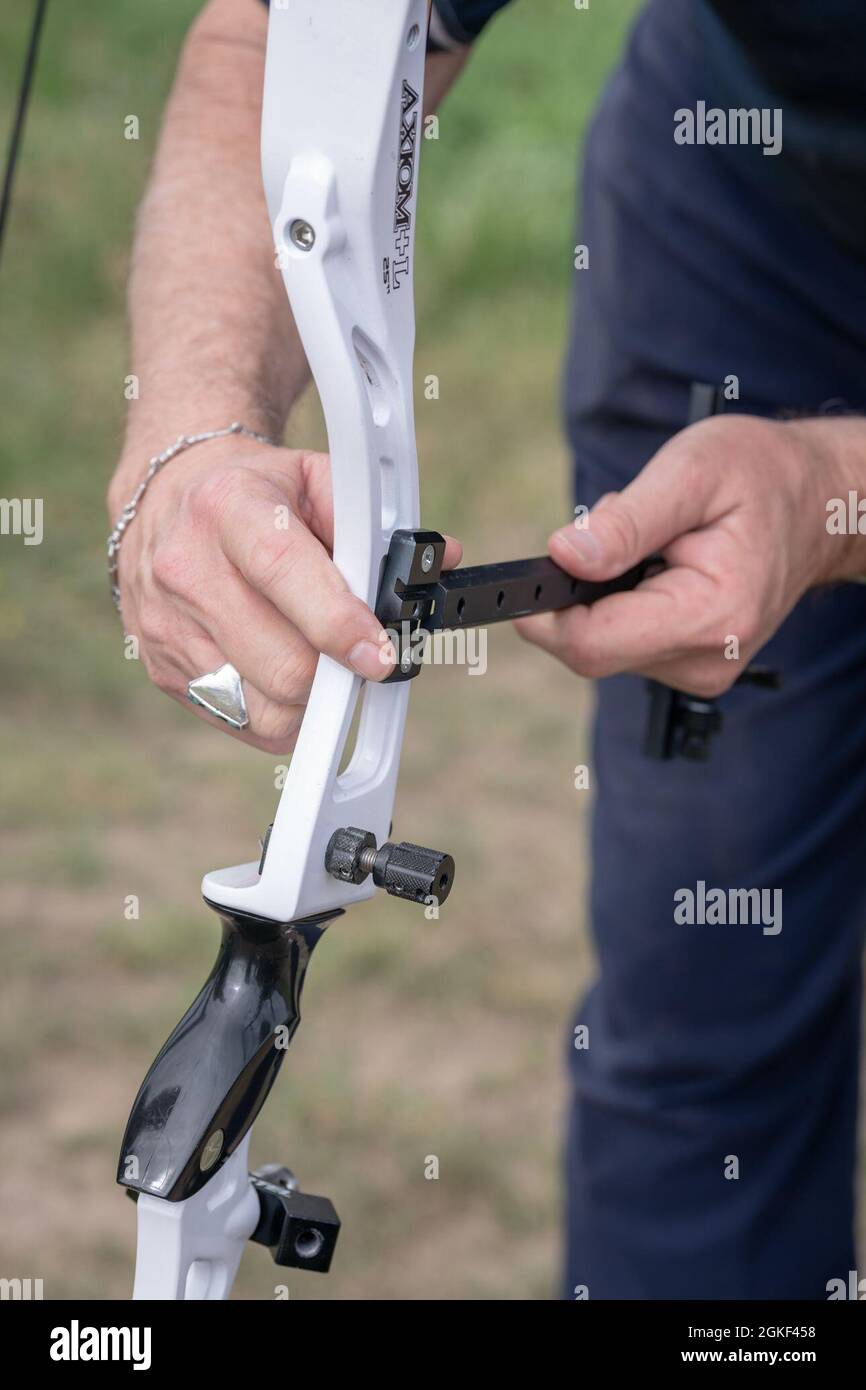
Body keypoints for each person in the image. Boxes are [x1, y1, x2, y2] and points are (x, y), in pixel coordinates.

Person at [107, 0, 866, 1299]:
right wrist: (186, 435)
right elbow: (265, 50)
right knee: (704, 993)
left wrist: (830, 491)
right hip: (751, 202)